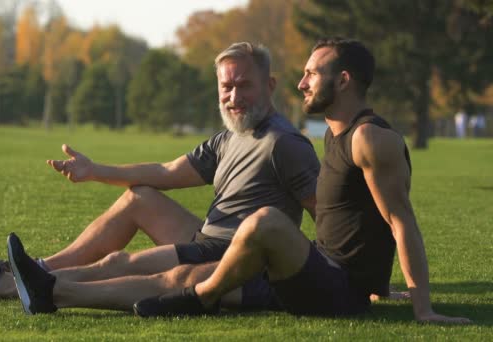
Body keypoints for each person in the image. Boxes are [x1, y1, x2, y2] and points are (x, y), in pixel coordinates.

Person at [132, 37, 471, 324]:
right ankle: (79, 290)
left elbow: (400, 222)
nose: (301, 83)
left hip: (336, 291)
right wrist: (379, 287)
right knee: (179, 275)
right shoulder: (335, 134)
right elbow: (357, 223)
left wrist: (422, 308)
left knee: (264, 221)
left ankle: (202, 298)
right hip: (319, 270)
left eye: (311, 74)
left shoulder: (370, 139)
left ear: (342, 81)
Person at [0, 42, 321, 311]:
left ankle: (1, 284)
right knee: (141, 197)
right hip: (208, 238)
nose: (233, 96)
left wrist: (340, 279)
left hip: (233, 255)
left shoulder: (284, 144)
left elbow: (324, 214)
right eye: (226, 87)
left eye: (244, 86)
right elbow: (165, 172)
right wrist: (94, 171)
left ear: (270, 85)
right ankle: (33, 270)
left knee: (118, 264)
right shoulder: (229, 137)